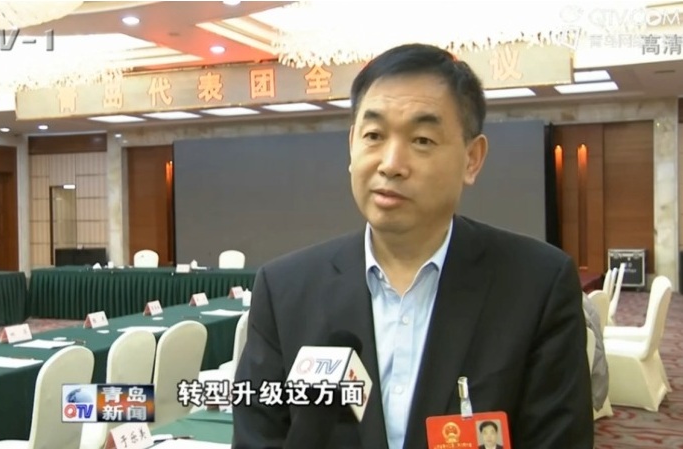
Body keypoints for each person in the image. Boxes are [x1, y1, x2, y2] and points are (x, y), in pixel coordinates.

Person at [232, 43, 594, 449]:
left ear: (472, 159)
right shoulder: (285, 290)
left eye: (422, 140)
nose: (391, 163)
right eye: (373, 135)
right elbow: (258, 438)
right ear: (352, 146)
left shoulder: (537, 286)